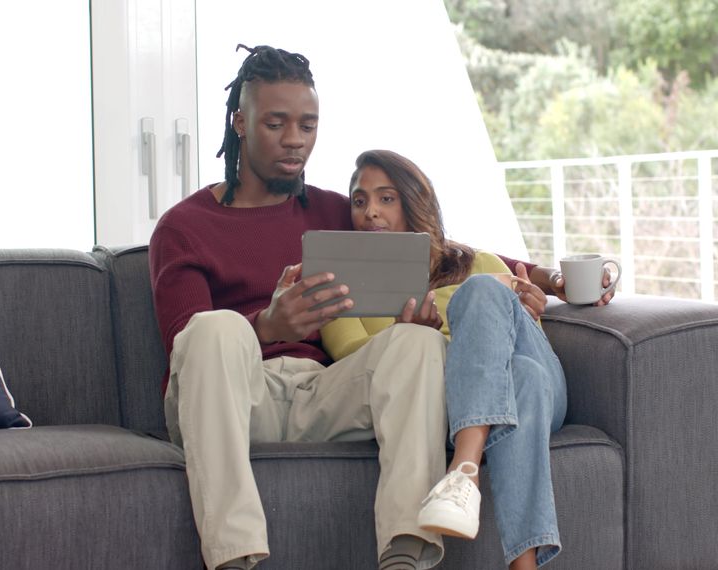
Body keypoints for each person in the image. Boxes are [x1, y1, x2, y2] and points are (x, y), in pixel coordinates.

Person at [149, 45, 452, 570]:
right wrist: (267, 325)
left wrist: (539, 277)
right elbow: (184, 345)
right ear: (240, 122)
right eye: (277, 123)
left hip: (322, 394)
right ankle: (234, 557)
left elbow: (437, 246)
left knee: (417, 341)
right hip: (235, 398)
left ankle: (407, 555)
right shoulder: (183, 228)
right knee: (213, 328)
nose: (295, 140)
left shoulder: (336, 209)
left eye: (308, 125)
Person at [321, 149, 574, 569]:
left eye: (386, 199)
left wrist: (518, 303)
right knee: (522, 379)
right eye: (359, 200)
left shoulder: (480, 263)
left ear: (415, 203)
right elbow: (352, 362)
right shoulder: (344, 291)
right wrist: (409, 339)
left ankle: (463, 470)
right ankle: (524, 565)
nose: (370, 213)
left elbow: (526, 342)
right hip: (478, 399)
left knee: (485, 297)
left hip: (544, 388)